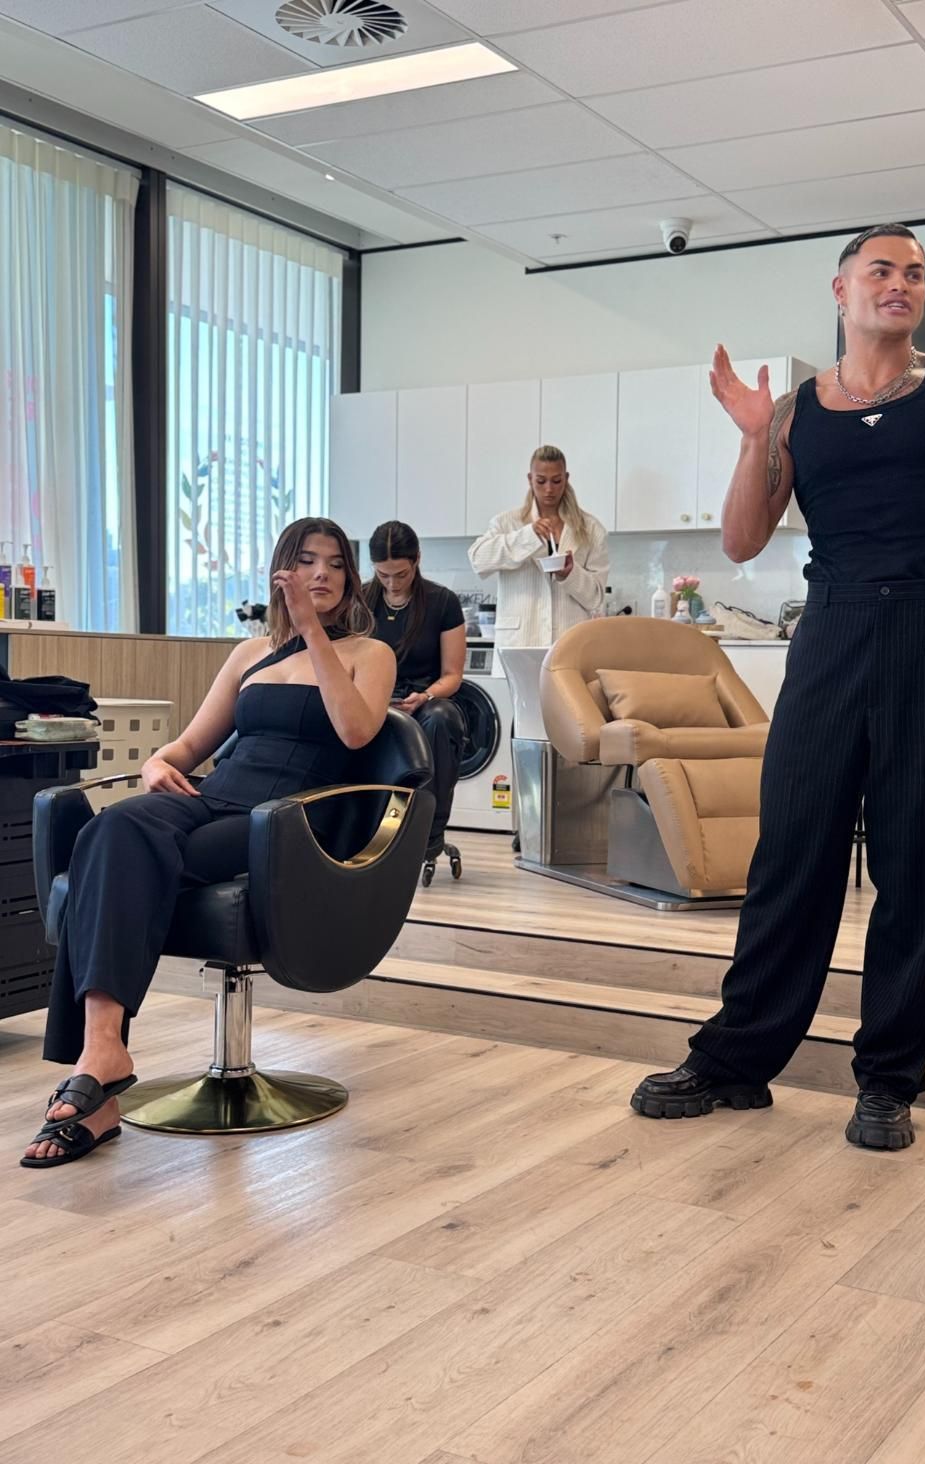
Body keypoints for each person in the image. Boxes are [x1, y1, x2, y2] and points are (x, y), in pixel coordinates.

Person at [632, 152, 925, 1150]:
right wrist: (756, 438)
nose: (901, 284)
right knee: (791, 853)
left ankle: (888, 1075)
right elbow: (743, 541)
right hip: (834, 626)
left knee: (915, 863)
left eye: (916, 272)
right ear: (841, 289)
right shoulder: (795, 413)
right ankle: (735, 1057)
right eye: (882, 269)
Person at [21, 518, 395, 1168]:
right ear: (283, 572)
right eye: (307, 561)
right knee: (111, 828)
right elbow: (192, 745)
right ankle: (102, 1052)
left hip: (282, 822)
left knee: (121, 862)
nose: (322, 574)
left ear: (349, 578)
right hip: (213, 796)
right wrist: (155, 764)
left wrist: (313, 634)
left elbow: (359, 732)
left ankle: (95, 1078)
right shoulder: (249, 655)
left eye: (335, 563)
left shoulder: (368, 653)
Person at [364, 520, 467, 863]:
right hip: (371, 700)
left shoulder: (443, 602)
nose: (392, 584)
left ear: (417, 560)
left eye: (401, 575)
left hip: (424, 701)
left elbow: (453, 675)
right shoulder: (359, 600)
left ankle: (428, 836)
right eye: (383, 575)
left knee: (440, 719)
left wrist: (425, 697)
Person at [468, 444, 609, 658]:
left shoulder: (591, 529)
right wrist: (527, 537)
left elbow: (596, 598)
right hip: (520, 642)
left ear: (567, 478)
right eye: (541, 481)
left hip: (569, 641)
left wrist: (570, 574)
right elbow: (478, 560)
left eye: (556, 481)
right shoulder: (507, 523)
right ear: (530, 479)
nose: (549, 489)